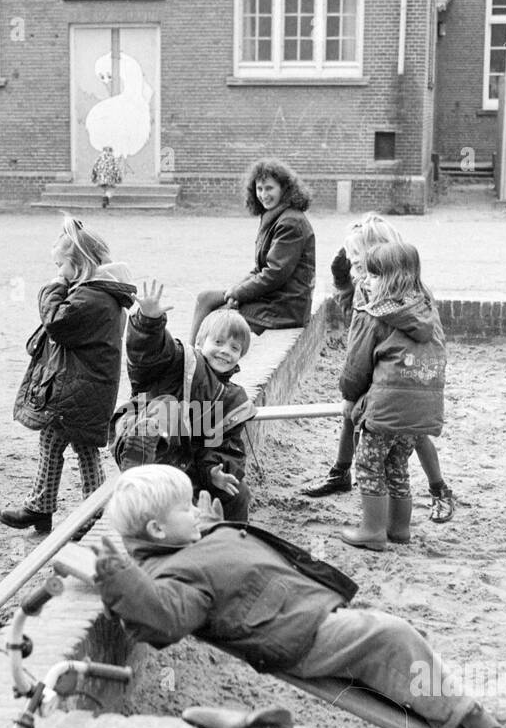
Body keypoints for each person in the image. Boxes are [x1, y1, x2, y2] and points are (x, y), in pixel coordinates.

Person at [94, 466, 506, 728]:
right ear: (156, 530)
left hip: (304, 613)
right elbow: (165, 619)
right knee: (392, 637)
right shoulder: (169, 576)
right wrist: (124, 582)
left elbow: (221, 561)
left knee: (394, 655)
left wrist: (211, 528)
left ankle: (472, 716)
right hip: (297, 636)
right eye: (183, 509)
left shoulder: (186, 547)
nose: (194, 511)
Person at [304, 213, 455, 523]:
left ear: (379, 257)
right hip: (391, 369)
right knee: (356, 417)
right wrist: (343, 278)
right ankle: (341, 472)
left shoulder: (379, 291)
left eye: (358, 260)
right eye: (351, 259)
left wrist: (354, 387)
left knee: (410, 433)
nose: (354, 266)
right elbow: (351, 306)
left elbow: (364, 341)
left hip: (388, 371)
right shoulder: (388, 286)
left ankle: (438, 488)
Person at [0, 214, 136, 532]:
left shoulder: (91, 297)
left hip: (80, 390)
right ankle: (52, 507)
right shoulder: (98, 293)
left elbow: (57, 323)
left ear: (80, 264)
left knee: (71, 445)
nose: (58, 273)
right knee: (67, 444)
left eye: (61, 266)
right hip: (83, 387)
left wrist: (54, 287)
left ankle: (84, 508)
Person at [113, 282, 256, 522]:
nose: (225, 351)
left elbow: (225, 447)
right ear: (200, 342)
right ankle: (140, 469)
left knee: (238, 494)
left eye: (234, 347)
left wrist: (215, 472)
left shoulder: (233, 399)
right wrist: (149, 322)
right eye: (218, 342)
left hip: (189, 463)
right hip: (144, 435)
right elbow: (148, 354)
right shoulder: (182, 360)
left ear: (241, 355)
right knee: (166, 406)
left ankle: (231, 543)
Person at [338, 241, 447, 552]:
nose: (365, 281)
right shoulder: (427, 310)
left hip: (386, 412)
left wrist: (350, 397)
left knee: (370, 466)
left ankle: (372, 530)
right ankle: (399, 529)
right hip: (420, 411)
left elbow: (357, 365)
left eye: (373, 275)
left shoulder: (376, 314)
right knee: (397, 465)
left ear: (390, 280)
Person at [189, 158, 316, 342]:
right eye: (259, 189)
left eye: (269, 188)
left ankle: (195, 362)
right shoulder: (275, 217)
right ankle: (191, 355)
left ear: (285, 189)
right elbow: (260, 268)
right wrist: (236, 289)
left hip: (285, 306)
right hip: (274, 297)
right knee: (205, 298)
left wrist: (239, 294)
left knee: (218, 318)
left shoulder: (291, 222)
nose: (263, 195)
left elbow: (274, 273)